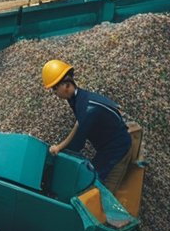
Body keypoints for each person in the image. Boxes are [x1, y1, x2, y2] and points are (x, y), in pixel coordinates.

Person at [42, 59, 132, 192]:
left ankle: (108, 211)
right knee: (89, 175)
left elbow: (77, 145)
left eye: (55, 88)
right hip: (107, 147)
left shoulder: (86, 107)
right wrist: (59, 146)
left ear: (66, 85)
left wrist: (59, 156)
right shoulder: (78, 98)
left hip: (118, 149)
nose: (54, 93)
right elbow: (78, 124)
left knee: (100, 188)